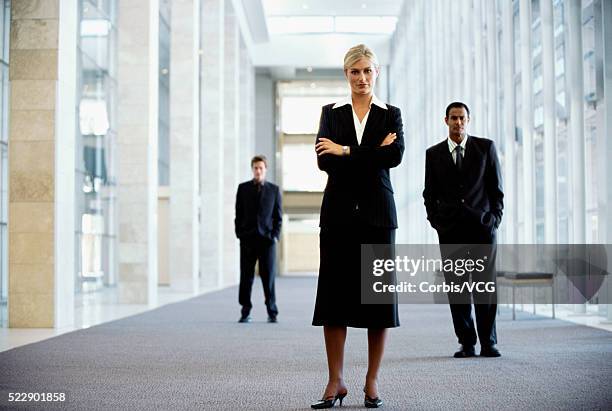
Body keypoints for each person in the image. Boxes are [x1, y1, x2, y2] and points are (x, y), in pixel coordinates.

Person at [311, 44, 404, 409]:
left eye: (367, 71)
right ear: (346, 74)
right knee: (334, 299)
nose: (362, 78)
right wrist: (371, 154)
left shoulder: (390, 114)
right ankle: (335, 381)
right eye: (355, 72)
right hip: (337, 216)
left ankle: (371, 380)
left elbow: (393, 157)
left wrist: (346, 151)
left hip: (378, 217)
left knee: (377, 300)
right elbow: (323, 161)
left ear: (376, 72)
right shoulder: (330, 114)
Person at [423, 102, 504, 358]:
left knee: (484, 287)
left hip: (482, 229)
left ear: (468, 120)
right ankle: (466, 342)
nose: (458, 123)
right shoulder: (433, 154)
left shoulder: (485, 148)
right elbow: (429, 193)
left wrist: (494, 219)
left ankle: (489, 342)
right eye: (454, 118)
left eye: (462, 118)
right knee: (457, 289)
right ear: (445, 120)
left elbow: (496, 189)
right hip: (451, 231)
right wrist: (436, 221)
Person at [234, 155, 282, 323]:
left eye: (261, 168)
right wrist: (239, 234)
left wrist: (274, 236)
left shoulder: (274, 190)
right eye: (255, 168)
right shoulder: (243, 188)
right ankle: (245, 311)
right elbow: (238, 214)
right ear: (252, 169)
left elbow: (278, 217)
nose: (258, 171)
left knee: (268, 277)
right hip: (247, 240)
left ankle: (272, 310)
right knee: (246, 277)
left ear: (265, 170)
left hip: (267, 242)